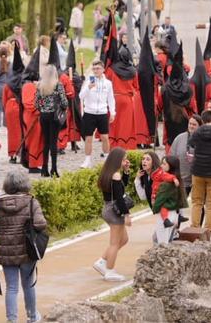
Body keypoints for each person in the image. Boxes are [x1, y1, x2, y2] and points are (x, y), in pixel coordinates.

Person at [0, 169, 47, 323]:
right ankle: (32, 316)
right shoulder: (31, 201)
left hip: (6, 250)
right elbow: (40, 223)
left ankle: (12, 319)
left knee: (11, 287)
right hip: (26, 250)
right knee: (28, 285)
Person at [94, 147, 132, 281]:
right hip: (114, 210)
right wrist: (126, 215)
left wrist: (126, 172)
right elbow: (119, 198)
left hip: (108, 208)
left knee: (124, 239)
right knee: (115, 243)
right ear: (117, 160)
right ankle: (110, 271)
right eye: (123, 159)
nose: (125, 161)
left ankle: (102, 261)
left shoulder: (109, 173)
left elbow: (122, 187)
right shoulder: (115, 175)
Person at [79, 60, 116, 168]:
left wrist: (113, 112)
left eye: (98, 68)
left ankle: (106, 159)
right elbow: (81, 96)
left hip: (102, 113)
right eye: (94, 68)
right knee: (88, 138)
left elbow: (111, 99)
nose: (95, 70)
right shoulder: (88, 81)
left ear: (103, 69)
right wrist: (88, 87)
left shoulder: (108, 83)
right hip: (89, 113)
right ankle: (87, 160)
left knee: (105, 137)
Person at [35, 65, 67, 177]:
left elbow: (37, 103)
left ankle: (44, 168)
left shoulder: (40, 86)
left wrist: (44, 108)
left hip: (44, 116)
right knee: (54, 142)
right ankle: (54, 169)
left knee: (46, 142)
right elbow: (64, 102)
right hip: (54, 115)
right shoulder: (58, 85)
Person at [170, 116, 199, 198]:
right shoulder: (179, 138)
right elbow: (171, 157)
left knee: (198, 205)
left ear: (200, 126)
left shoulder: (202, 139)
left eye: (194, 124)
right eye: (190, 124)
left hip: (197, 179)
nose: (191, 126)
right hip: (182, 179)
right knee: (179, 205)